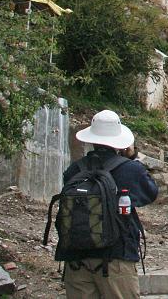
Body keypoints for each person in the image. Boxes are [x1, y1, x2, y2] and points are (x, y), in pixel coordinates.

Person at [60, 110, 158, 299]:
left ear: (92, 139)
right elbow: (151, 192)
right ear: (119, 142)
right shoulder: (130, 169)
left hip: (75, 259)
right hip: (116, 257)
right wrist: (131, 157)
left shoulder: (75, 169)